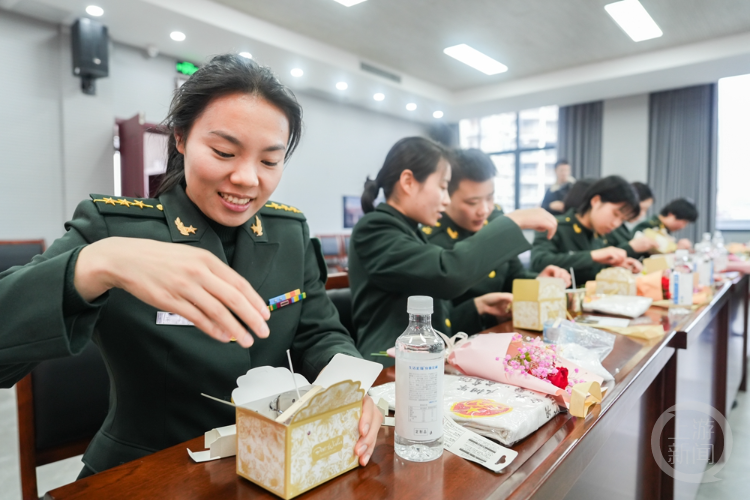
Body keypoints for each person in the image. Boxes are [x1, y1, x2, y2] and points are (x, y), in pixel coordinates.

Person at [0, 54, 381, 476]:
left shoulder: (288, 232)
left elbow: (318, 333)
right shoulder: (115, 229)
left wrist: (347, 388)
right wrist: (95, 264)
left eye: (270, 161)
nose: (248, 179)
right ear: (180, 139)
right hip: (147, 472)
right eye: (223, 152)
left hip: (273, 462)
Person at [348, 137, 558, 365]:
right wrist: (512, 222)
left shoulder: (408, 230)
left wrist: (478, 306)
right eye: (442, 187)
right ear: (408, 182)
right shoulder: (375, 228)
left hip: (421, 361)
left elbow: (437, 315)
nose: (446, 200)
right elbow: (446, 272)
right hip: (389, 365)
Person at [425, 149, 570, 331]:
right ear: (446, 196)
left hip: (503, 334)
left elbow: (513, 276)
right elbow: (435, 319)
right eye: (472, 202)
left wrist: (537, 282)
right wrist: (475, 307)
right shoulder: (431, 236)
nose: (484, 210)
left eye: (490, 197)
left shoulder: (494, 220)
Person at [531, 175, 643, 284]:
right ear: (596, 201)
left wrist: (615, 265)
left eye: (622, 220)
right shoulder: (555, 226)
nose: (616, 224)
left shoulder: (600, 233)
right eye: (615, 214)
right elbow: (539, 263)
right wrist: (593, 256)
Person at [607, 181, 659, 258]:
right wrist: (631, 247)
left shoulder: (622, 226)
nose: (642, 214)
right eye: (641, 209)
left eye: (646, 210)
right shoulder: (609, 225)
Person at [633, 198, 698, 250]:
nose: (683, 227)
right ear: (671, 214)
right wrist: (677, 247)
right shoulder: (649, 225)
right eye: (684, 222)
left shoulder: (663, 227)